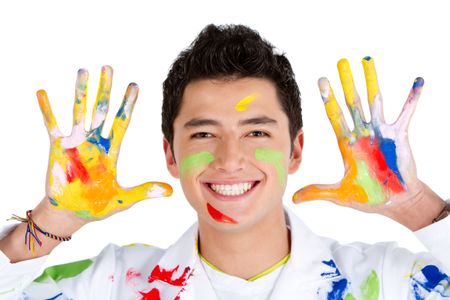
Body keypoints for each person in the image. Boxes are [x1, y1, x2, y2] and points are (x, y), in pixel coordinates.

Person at [0, 24, 449, 299]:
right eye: (203, 133)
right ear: (170, 155)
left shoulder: (387, 281)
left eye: (256, 133)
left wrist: (414, 206)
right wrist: (53, 219)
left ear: (295, 150)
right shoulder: (111, 284)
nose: (230, 159)